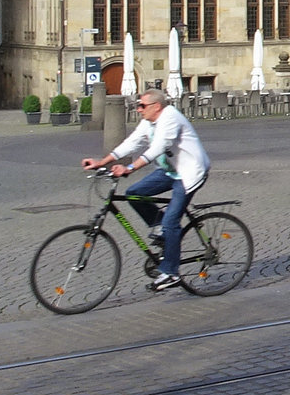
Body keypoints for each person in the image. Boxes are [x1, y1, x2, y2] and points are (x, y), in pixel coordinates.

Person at [83, 87, 211, 292]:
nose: (138, 109)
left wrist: (130, 168)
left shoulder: (170, 119)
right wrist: (102, 162)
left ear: (156, 106)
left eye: (142, 105)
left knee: (171, 223)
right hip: (169, 171)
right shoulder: (149, 122)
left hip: (189, 173)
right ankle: (160, 227)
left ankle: (170, 273)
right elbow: (131, 143)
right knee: (134, 194)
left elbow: (156, 149)